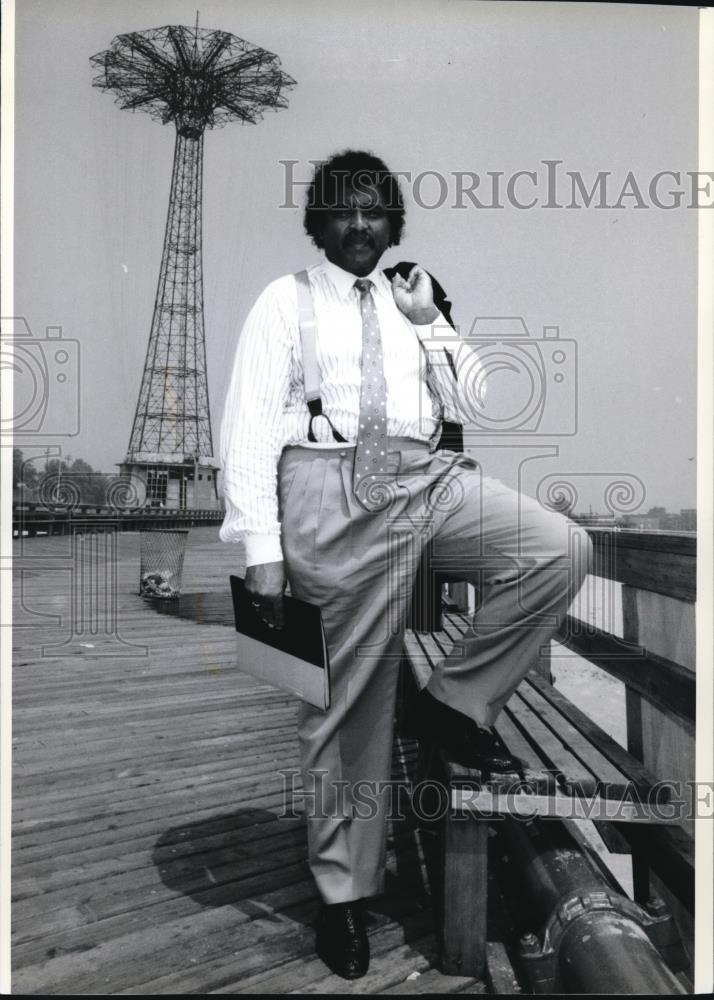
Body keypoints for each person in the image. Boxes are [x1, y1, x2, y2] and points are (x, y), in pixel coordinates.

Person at [219, 150, 591, 980]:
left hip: (425, 478)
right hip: (330, 489)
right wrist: (262, 552)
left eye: (376, 213)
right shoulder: (285, 301)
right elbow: (246, 431)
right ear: (318, 223)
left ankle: (454, 702)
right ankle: (343, 897)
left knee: (559, 549)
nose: (361, 226)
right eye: (343, 212)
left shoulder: (411, 300)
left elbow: (477, 401)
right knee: (346, 708)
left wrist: (433, 321)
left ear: (394, 226)